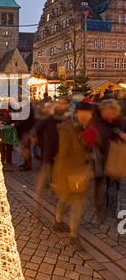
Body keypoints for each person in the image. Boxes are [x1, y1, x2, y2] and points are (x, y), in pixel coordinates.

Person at [52, 102, 94, 246]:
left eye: (87, 113)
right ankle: (72, 234)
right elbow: (63, 153)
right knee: (71, 200)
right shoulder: (68, 129)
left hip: (81, 171)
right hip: (70, 171)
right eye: (82, 112)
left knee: (73, 200)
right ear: (76, 113)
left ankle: (63, 226)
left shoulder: (90, 128)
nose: (85, 115)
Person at [32, 97, 71, 217]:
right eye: (59, 103)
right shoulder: (49, 119)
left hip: (63, 161)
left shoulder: (70, 120)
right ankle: (37, 210)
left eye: (64, 104)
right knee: (41, 187)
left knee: (62, 189)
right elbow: (36, 128)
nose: (61, 106)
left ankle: (59, 214)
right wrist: (33, 139)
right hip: (48, 159)